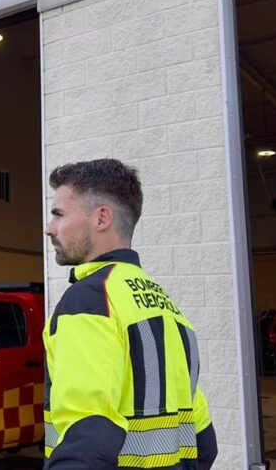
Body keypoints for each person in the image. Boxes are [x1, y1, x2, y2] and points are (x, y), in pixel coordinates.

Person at [43, 159, 217, 469]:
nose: (49, 228)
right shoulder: (166, 306)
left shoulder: (90, 300)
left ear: (101, 218)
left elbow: (86, 438)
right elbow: (204, 443)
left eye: (59, 214)